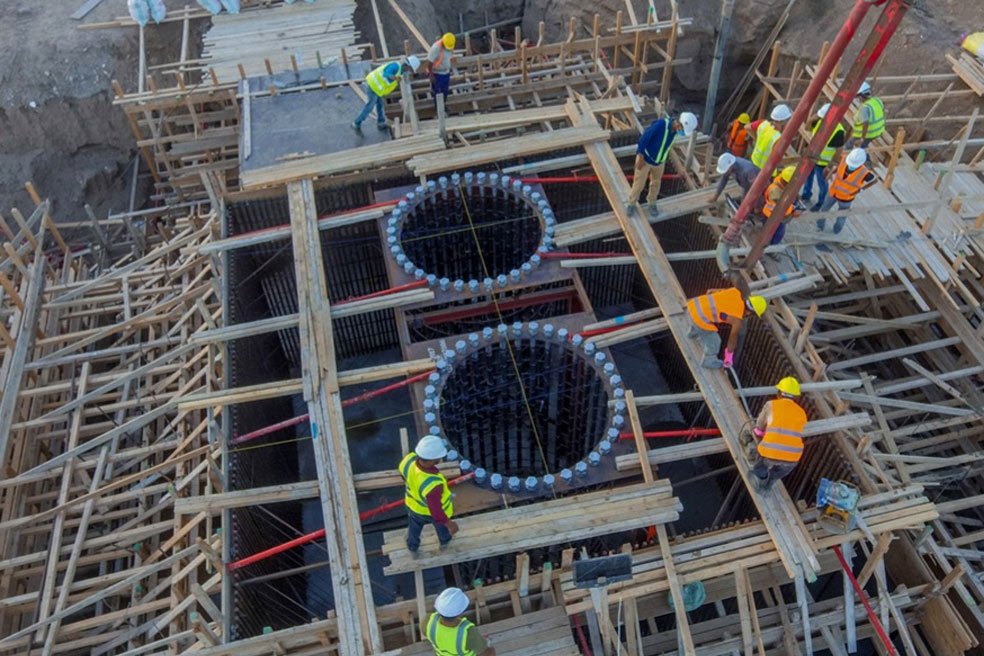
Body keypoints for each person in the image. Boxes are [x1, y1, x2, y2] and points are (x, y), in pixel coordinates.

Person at [627, 111, 698, 216]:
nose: (682, 132)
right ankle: (631, 204)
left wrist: (661, 160)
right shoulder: (661, 125)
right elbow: (644, 138)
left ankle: (652, 203)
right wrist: (640, 156)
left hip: (660, 162)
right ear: (679, 124)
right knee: (639, 184)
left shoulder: (674, 131)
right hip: (645, 159)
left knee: (656, 183)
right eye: (682, 129)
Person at [399, 435, 457, 554]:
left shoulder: (408, 460)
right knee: (441, 527)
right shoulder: (433, 484)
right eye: (438, 459)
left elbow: (403, 474)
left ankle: (412, 546)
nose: (440, 460)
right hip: (428, 512)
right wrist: (450, 524)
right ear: (433, 460)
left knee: (414, 528)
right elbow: (436, 512)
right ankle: (445, 540)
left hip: (413, 506)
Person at [686, 287, 767, 369]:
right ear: (750, 312)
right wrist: (728, 358)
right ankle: (708, 361)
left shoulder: (735, 292)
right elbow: (732, 341)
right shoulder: (737, 321)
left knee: (703, 324)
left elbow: (710, 291)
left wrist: (707, 309)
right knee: (716, 341)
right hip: (699, 319)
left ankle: (692, 334)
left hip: (692, 305)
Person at [750, 377, 807, 490]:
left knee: (760, 466)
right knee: (778, 473)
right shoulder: (801, 412)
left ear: (779, 393)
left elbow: (760, 425)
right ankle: (769, 483)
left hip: (770, 452)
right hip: (793, 457)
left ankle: (761, 477)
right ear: (795, 396)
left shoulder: (771, 405)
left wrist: (759, 432)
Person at [352, 55, 421, 131]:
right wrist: (394, 78)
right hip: (372, 85)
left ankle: (381, 123)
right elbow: (386, 74)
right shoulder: (395, 66)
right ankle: (357, 122)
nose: (409, 72)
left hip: (377, 89)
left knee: (380, 104)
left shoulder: (400, 72)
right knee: (370, 105)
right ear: (407, 66)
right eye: (410, 69)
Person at [817, 148, 876, 234]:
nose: (851, 166)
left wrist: (861, 189)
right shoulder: (844, 159)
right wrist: (829, 175)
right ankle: (820, 226)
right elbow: (838, 168)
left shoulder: (864, 173)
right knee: (824, 210)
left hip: (846, 198)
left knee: (841, 216)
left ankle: (835, 231)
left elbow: (874, 180)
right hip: (834, 192)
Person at [423, 588, 495, 656]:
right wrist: (486, 645)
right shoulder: (468, 633)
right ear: (460, 612)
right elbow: (487, 654)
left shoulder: (427, 621)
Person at [801, 103, 846, 211]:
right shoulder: (819, 120)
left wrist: (830, 166)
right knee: (808, 177)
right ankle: (806, 195)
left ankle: (820, 202)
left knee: (823, 184)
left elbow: (838, 151)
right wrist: (815, 116)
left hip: (823, 163)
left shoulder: (838, 131)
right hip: (812, 157)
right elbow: (807, 128)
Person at [761, 166, 800, 244]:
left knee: (772, 232)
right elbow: (779, 210)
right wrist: (792, 211)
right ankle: (771, 248)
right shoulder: (775, 192)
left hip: (777, 215)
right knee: (777, 234)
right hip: (773, 216)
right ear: (786, 182)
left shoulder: (781, 181)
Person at [748, 104, 791, 172]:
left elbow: (747, 127)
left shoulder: (763, 124)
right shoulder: (778, 138)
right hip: (766, 171)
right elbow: (778, 158)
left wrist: (757, 138)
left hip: (754, 162)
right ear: (783, 122)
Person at [850, 80, 885, 148]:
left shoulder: (865, 108)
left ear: (861, 96)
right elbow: (883, 113)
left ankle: (864, 156)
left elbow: (865, 123)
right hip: (877, 132)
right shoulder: (877, 100)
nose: (857, 99)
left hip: (866, 134)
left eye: (857, 97)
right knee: (863, 146)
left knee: (850, 147)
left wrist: (862, 139)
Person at [427, 32, 456, 106]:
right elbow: (429, 62)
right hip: (437, 73)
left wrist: (452, 58)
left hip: (446, 72)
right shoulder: (436, 48)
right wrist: (431, 75)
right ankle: (438, 109)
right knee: (438, 93)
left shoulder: (450, 44)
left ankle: (443, 106)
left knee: (445, 91)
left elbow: (449, 53)